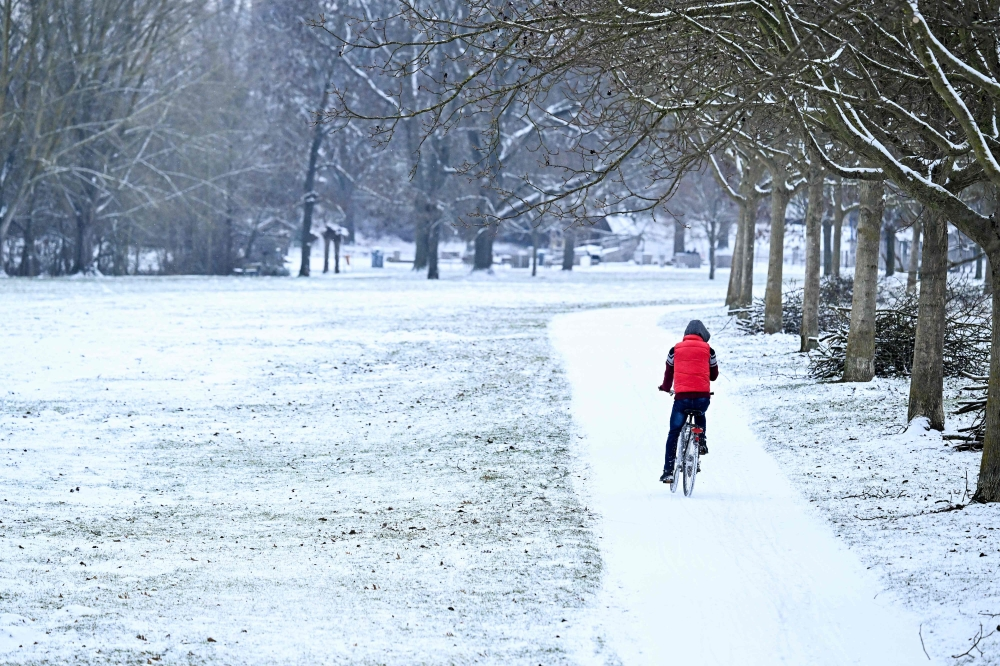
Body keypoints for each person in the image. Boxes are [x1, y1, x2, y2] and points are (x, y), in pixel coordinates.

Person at [657, 320, 718, 483]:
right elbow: (713, 376)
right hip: (702, 398)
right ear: (703, 335)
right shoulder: (709, 350)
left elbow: (669, 373)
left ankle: (668, 471)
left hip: (682, 399)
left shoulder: (674, 350)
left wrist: (665, 387)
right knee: (700, 413)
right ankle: (701, 440)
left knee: (674, 432)